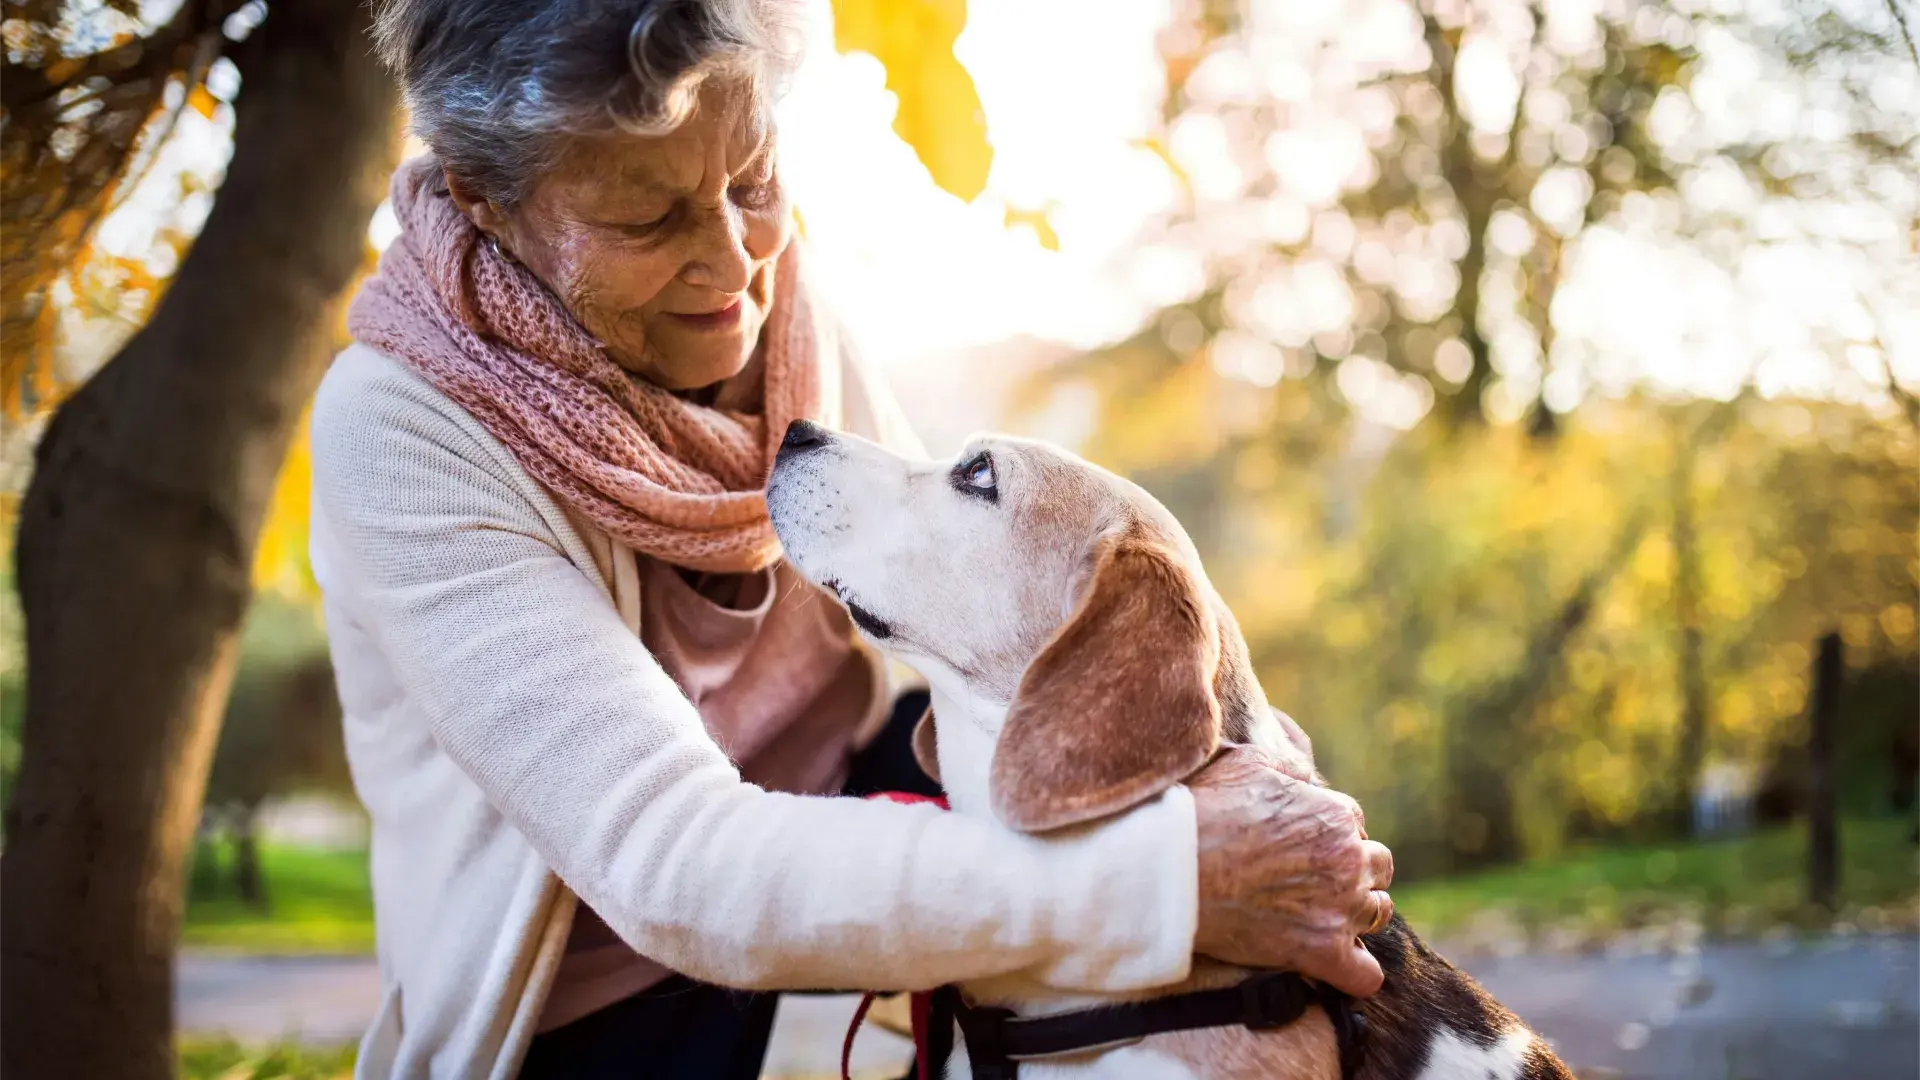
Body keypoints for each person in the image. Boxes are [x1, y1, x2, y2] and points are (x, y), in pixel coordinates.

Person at [309, 1, 1396, 1076]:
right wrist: (1165, 878)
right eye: (647, 220)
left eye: (753, 181)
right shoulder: (398, 429)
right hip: (603, 996)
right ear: (482, 200)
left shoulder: (783, 302)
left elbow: (953, 602)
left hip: (865, 794)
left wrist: (1254, 798)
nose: (735, 265)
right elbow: (671, 864)